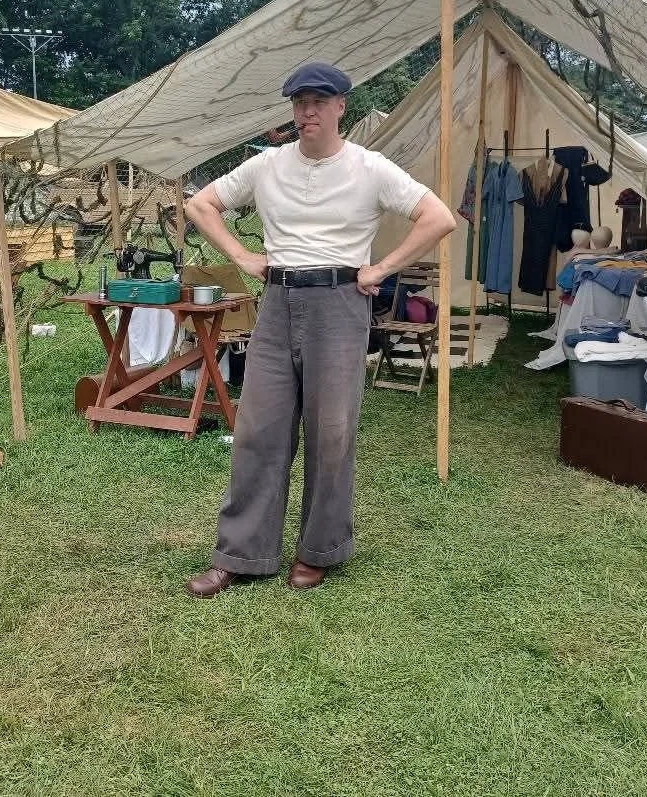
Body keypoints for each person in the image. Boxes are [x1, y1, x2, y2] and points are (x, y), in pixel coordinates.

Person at [184, 62, 457, 597]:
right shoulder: (266, 167)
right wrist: (242, 255)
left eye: (318, 102)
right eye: (299, 102)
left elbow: (438, 217)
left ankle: (319, 550)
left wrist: (379, 269)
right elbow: (202, 204)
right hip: (279, 300)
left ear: (340, 108)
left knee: (331, 432)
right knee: (258, 430)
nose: (307, 111)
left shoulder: (370, 168)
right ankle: (241, 552)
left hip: (339, 304)